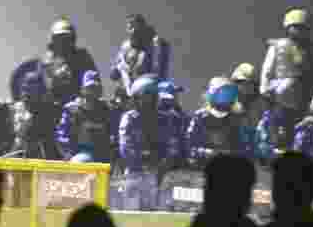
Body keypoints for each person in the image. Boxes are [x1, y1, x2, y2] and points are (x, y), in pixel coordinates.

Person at [257, 8, 313, 156]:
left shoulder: (309, 50)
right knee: (280, 124)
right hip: (281, 93)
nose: (299, 31)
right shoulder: (277, 46)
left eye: (303, 28)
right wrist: (264, 88)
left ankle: (301, 149)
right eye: (296, 27)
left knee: (302, 125)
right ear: (288, 28)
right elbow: (267, 69)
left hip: (303, 96)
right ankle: (277, 147)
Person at [116, 75, 186, 210]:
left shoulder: (165, 118)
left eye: (151, 97)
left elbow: (172, 146)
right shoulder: (130, 118)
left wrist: (162, 164)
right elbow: (125, 147)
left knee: (157, 211)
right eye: (143, 97)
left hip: (160, 171)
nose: (148, 101)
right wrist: (141, 163)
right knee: (131, 209)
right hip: (135, 171)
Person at [11, 17, 101, 108]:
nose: (63, 44)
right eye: (59, 40)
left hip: (77, 111)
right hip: (48, 112)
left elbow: (93, 86)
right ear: (53, 43)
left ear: (72, 41)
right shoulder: (42, 65)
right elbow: (23, 87)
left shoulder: (82, 58)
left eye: (67, 39)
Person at [56, 70, 117, 163]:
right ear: (82, 89)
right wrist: (68, 154)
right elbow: (62, 135)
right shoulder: (72, 109)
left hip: (103, 156)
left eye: (96, 88)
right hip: (79, 155)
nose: (93, 92)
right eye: (90, 88)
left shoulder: (106, 110)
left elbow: (114, 133)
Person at [186, 77, 248, 165]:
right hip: (202, 166)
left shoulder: (235, 119)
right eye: (222, 93)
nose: (225, 97)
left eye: (228, 94)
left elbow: (243, 146)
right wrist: (206, 152)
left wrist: (229, 154)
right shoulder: (200, 117)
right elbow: (189, 144)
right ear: (212, 94)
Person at [110, 13, 172, 96]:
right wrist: (116, 69)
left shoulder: (154, 44)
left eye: (134, 26)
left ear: (142, 27)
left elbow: (161, 69)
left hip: (147, 89)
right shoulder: (125, 46)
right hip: (128, 90)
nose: (132, 31)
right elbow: (116, 68)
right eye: (129, 27)